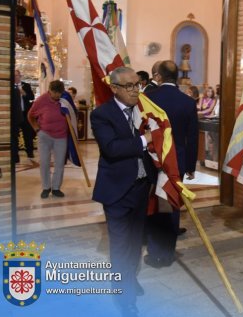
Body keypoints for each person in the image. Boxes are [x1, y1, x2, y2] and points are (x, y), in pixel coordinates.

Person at [90, 67, 155, 316]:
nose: (135, 90)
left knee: (135, 241)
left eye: (137, 84)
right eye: (128, 86)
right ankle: (123, 296)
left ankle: (130, 278)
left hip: (140, 188)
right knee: (119, 246)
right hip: (116, 191)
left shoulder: (143, 110)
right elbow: (112, 148)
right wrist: (144, 140)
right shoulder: (102, 115)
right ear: (114, 88)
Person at [145, 60, 199, 267]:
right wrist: (191, 166)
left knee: (153, 204)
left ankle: (154, 250)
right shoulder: (187, 102)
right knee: (171, 205)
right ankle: (167, 253)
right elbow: (192, 138)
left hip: (153, 159)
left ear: (158, 76)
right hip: (177, 160)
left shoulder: (148, 99)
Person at [27, 80, 68, 198]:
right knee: (44, 162)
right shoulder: (41, 100)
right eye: (54, 93)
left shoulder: (65, 99)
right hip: (45, 135)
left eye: (59, 93)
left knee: (59, 163)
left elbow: (72, 113)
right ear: (49, 90)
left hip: (61, 136)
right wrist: (36, 128)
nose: (57, 95)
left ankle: (56, 188)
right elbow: (30, 115)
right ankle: (46, 187)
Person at [13, 69, 36, 162]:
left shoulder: (26, 85)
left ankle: (30, 152)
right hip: (15, 114)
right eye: (14, 76)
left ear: (20, 76)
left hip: (25, 113)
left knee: (28, 134)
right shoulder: (10, 86)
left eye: (17, 75)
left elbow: (32, 97)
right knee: (14, 135)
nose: (16, 77)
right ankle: (15, 156)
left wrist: (24, 93)